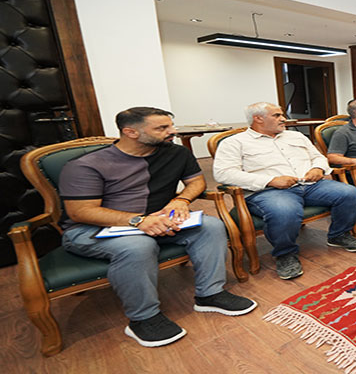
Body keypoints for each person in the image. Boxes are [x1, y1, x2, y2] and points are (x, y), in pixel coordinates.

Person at [59, 107, 257, 348]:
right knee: (137, 246)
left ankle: (210, 294)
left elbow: (196, 181)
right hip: (94, 229)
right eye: (162, 128)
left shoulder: (176, 153)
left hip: (159, 220)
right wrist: (139, 221)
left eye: (170, 125)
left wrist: (181, 200)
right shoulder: (86, 165)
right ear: (130, 132)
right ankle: (143, 318)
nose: (172, 131)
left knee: (211, 226)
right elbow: (80, 211)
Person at [212, 102, 356, 281]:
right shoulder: (234, 142)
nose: (283, 119)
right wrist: (270, 180)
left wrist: (317, 168)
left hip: (309, 185)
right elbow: (223, 173)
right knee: (285, 211)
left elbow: (318, 157)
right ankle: (285, 254)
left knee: (349, 193)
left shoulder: (296, 136)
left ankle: (338, 235)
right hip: (268, 191)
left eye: (282, 114)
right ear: (258, 118)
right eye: (276, 115)